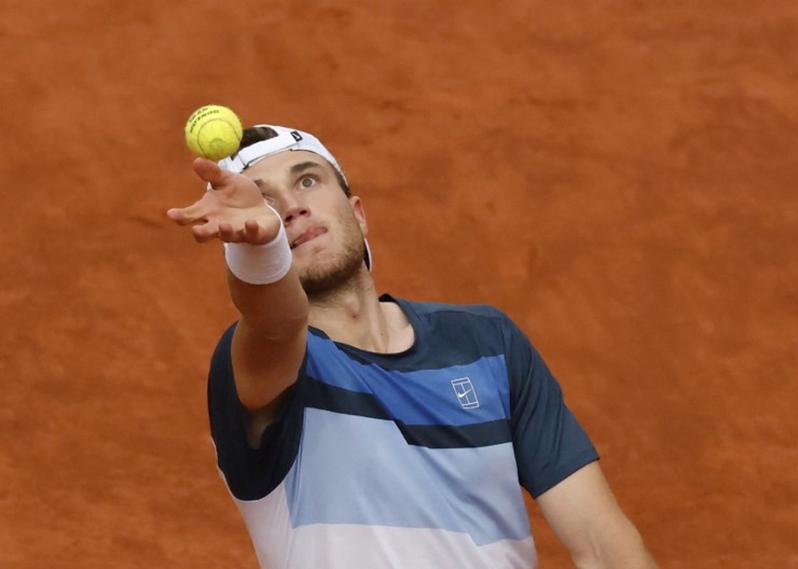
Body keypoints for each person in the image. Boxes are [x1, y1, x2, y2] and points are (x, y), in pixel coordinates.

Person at [167, 124, 659, 569]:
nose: (291, 207)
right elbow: (275, 323)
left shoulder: (487, 342)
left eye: (308, 181)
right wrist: (267, 248)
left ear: (358, 216)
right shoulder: (268, 369)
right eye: (265, 201)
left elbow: (601, 541)